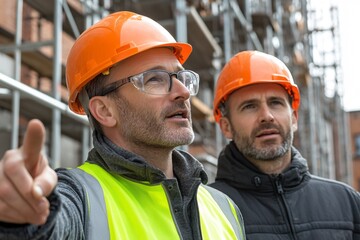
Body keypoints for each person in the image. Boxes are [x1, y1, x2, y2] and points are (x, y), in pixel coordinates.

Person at [0, 11, 246, 239]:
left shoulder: (225, 209)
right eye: (155, 79)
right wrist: (21, 222)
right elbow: (53, 224)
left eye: (181, 77)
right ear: (105, 111)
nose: (182, 91)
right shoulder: (80, 198)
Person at [210, 50, 360, 239]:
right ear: (226, 126)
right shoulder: (206, 209)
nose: (267, 116)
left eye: (275, 103)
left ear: (294, 118)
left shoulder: (346, 203)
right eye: (249, 106)